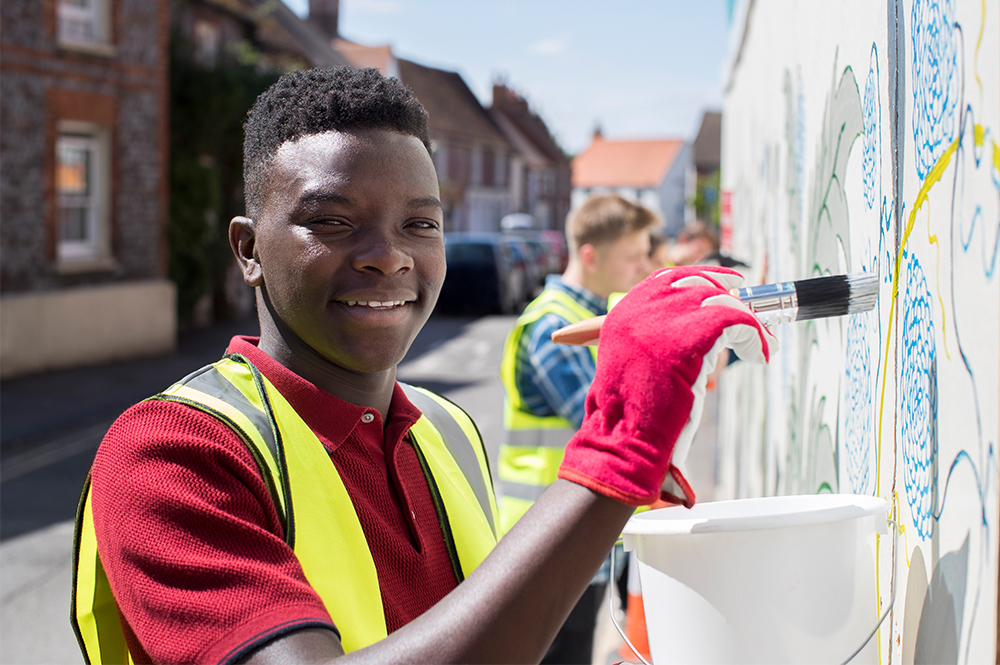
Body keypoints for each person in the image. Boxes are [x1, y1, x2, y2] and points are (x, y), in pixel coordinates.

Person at [71, 67, 776, 665]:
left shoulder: (445, 429)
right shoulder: (171, 453)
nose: (389, 254)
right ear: (249, 250)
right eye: (334, 220)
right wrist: (619, 448)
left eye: (421, 223)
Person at [497, 193, 658, 663]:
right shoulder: (555, 327)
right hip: (546, 544)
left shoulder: (596, 319)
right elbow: (614, 428)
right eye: (634, 256)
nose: (643, 266)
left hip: (575, 541)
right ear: (590, 256)